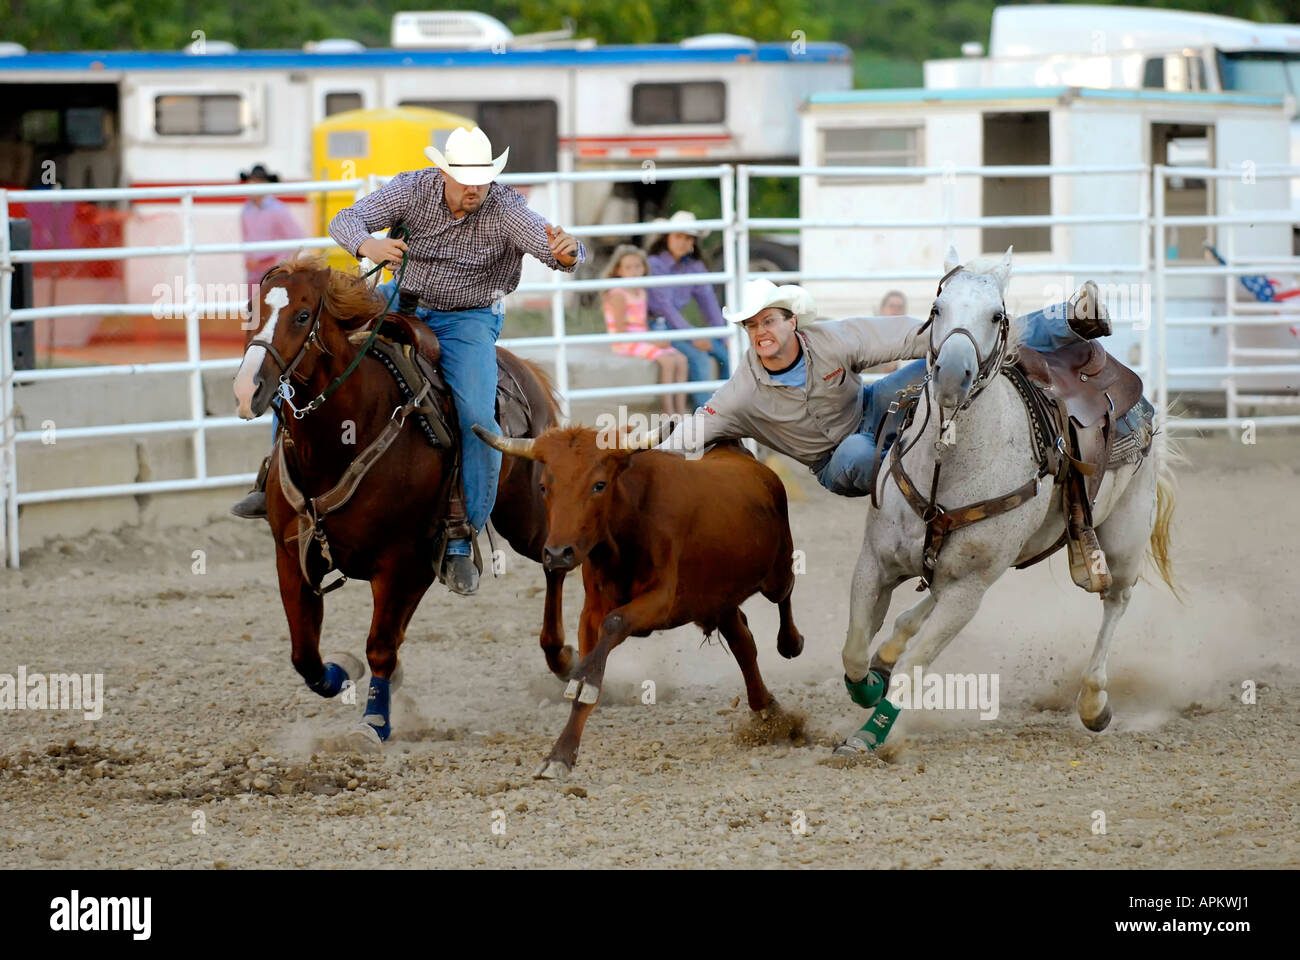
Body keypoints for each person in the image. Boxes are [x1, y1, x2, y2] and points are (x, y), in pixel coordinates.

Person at [230, 126, 584, 597]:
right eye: (464, 177)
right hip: (397, 297)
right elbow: (348, 219)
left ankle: (461, 533)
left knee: (479, 415)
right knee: (308, 353)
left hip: (468, 318)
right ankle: (274, 479)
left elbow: (552, 247)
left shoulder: (505, 209)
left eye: (481, 177)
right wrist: (367, 247)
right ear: (443, 172)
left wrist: (567, 252)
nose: (474, 187)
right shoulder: (413, 188)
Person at [659, 277, 1112, 499]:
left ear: (791, 321)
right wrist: (643, 449)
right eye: (752, 325)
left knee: (951, 352)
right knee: (858, 454)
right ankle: (905, 489)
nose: (761, 332)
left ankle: (1066, 318)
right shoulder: (743, 393)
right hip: (834, 462)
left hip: (874, 407)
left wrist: (955, 337)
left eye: (769, 321)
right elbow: (696, 430)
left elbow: (906, 335)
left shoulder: (833, 340)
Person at [645, 211, 731, 409]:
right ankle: (705, 417)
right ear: (667, 237)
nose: (683, 242)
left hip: (678, 325)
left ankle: (725, 409)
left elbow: (708, 302)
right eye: (678, 236)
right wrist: (693, 336)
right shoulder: (654, 265)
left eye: (688, 237)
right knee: (699, 358)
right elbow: (664, 307)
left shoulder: (695, 266)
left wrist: (722, 334)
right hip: (658, 325)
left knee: (727, 355)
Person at [601, 244, 689, 416]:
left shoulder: (641, 291)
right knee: (668, 361)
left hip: (642, 337)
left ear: (644, 268)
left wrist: (655, 338)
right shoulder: (618, 294)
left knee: (681, 359)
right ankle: (668, 411)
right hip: (625, 342)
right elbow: (620, 331)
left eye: (637, 266)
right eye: (628, 268)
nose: (634, 271)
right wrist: (652, 341)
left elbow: (642, 324)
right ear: (619, 271)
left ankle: (680, 409)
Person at [239, 164, 303, 288]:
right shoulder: (246, 210)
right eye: (251, 182)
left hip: (273, 267)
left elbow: (296, 235)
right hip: (253, 269)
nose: (253, 186)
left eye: (258, 182)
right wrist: (248, 259)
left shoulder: (278, 209)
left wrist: (278, 261)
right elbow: (246, 236)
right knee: (255, 303)